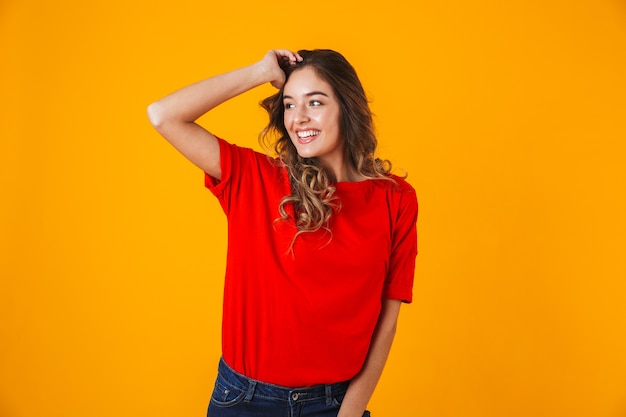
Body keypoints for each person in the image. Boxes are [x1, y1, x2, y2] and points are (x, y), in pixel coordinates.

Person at [147, 49, 418, 417]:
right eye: (289, 105)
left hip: (337, 404)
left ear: (347, 108)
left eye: (315, 102)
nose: (299, 118)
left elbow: (388, 318)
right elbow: (163, 115)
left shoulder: (396, 199)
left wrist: (350, 411)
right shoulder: (255, 178)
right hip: (244, 402)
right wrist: (260, 72)